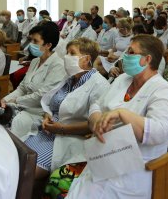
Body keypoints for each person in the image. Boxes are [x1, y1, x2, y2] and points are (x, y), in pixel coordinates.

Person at [67, 35, 168, 199]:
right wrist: (97, 119)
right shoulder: (123, 79)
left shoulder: (163, 90)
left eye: (131, 52)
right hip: (104, 154)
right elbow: (97, 104)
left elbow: (159, 132)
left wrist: (122, 114)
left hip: (135, 166)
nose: (125, 55)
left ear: (146, 59)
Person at [23, 38, 109, 179]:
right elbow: (52, 103)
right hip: (47, 132)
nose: (66, 57)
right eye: (67, 53)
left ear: (86, 59)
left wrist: (61, 129)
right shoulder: (70, 78)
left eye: (72, 53)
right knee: (19, 159)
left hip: (68, 139)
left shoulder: (99, 85)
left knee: (27, 172)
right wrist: (47, 116)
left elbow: (92, 125)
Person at [3, 22, 66, 138]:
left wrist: (16, 101)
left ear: (48, 45)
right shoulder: (35, 61)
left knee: (15, 125)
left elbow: (42, 95)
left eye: (35, 41)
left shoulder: (58, 66)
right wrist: (4, 100)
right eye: (31, 40)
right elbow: (22, 87)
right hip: (23, 106)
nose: (31, 44)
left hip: (38, 113)